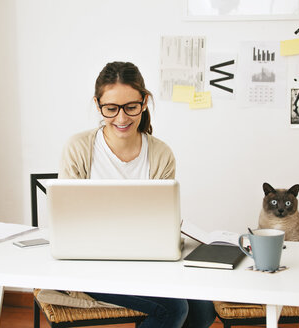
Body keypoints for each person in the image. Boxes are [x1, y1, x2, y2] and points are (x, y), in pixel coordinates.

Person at [59, 61, 216, 328]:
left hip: (148, 261)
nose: (122, 119)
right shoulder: (78, 148)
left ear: (144, 103)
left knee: (203, 310)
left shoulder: (161, 153)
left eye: (131, 107)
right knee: (174, 309)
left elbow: (163, 222)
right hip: (92, 264)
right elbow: (69, 221)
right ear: (98, 105)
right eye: (111, 109)